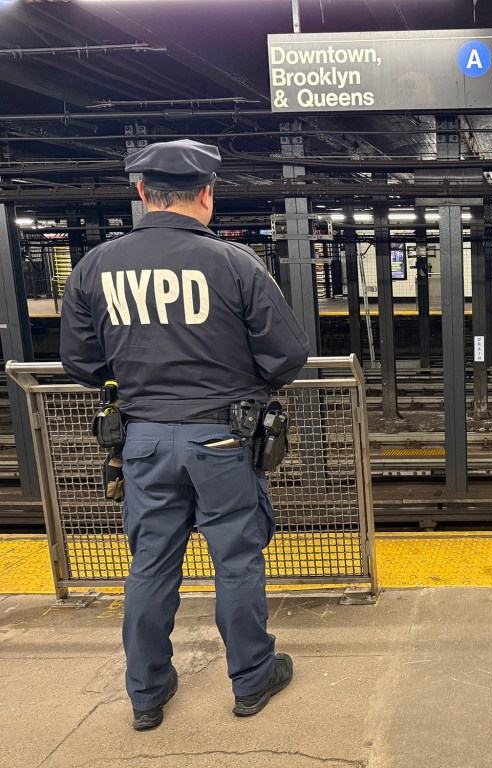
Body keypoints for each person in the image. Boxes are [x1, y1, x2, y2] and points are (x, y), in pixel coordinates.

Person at [59, 139, 310, 731]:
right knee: (237, 560)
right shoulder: (234, 264)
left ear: (142, 194)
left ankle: (146, 693)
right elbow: (287, 356)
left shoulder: (95, 265)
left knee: (149, 566)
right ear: (207, 195)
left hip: (142, 440)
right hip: (222, 442)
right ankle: (251, 681)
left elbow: (81, 362)